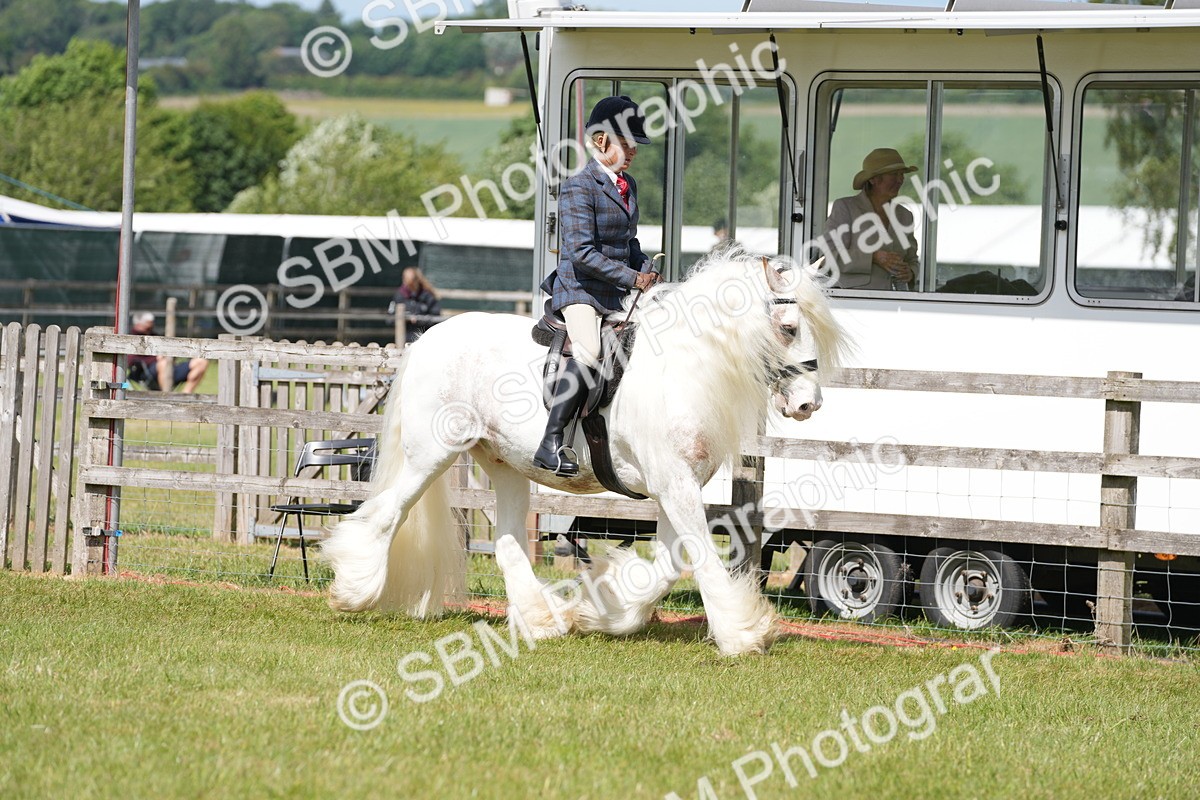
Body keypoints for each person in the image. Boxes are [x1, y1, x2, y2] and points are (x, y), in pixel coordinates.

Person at [533, 95, 660, 476]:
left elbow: (628, 242)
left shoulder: (628, 185)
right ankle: (550, 443)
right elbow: (580, 253)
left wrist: (646, 267)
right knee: (588, 350)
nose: (634, 150)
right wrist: (631, 278)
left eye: (635, 144)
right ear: (602, 142)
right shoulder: (578, 187)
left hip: (614, 292)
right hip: (580, 290)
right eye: (627, 143)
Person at [822, 147, 919, 291]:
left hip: (898, 302)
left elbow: (912, 259)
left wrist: (910, 273)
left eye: (902, 174)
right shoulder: (845, 208)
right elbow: (828, 256)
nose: (900, 180)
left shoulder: (905, 215)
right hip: (855, 301)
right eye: (894, 174)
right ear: (873, 179)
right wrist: (873, 257)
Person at [127, 312, 209, 393]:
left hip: (170, 367)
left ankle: (186, 394)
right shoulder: (131, 338)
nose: (151, 326)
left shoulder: (154, 335)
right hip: (147, 371)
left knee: (201, 362)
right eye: (148, 324)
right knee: (163, 363)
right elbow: (130, 360)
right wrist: (156, 358)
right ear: (138, 324)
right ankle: (166, 395)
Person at [389, 267, 442, 342]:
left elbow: (436, 317)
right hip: (404, 339)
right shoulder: (399, 296)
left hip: (424, 338)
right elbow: (389, 319)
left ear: (417, 280)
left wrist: (419, 319)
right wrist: (405, 319)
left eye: (412, 283)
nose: (410, 287)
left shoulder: (427, 296)